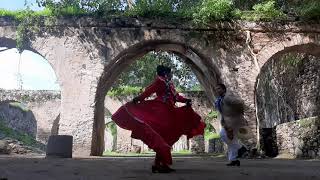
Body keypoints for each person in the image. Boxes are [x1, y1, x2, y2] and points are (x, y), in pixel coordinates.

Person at [112, 65, 205, 173]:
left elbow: (176, 97)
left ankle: (159, 164)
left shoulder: (169, 83)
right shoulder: (159, 81)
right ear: (166, 73)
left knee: (167, 137)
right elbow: (148, 91)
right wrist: (137, 99)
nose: (172, 75)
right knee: (164, 137)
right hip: (161, 112)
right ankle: (160, 164)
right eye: (170, 73)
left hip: (170, 112)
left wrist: (185, 100)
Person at [215, 83, 247, 166]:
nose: (217, 90)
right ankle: (234, 160)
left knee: (223, 135)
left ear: (223, 89)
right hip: (228, 122)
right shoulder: (220, 100)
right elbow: (222, 112)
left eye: (219, 89)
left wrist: (239, 113)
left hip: (235, 121)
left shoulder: (227, 97)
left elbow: (240, 102)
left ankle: (241, 148)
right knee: (232, 140)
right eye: (216, 89)